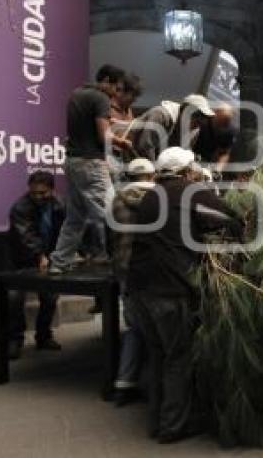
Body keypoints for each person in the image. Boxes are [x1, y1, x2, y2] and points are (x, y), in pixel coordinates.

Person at [129, 147, 244, 443]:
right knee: (178, 358)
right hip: (171, 289)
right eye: (193, 166)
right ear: (186, 170)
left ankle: (156, 422)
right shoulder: (190, 191)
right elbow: (231, 219)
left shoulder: (153, 195)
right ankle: (172, 427)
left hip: (140, 289)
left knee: (157, 356)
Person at [48, 71, 133, 273]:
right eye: (115, 88)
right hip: (91, 164)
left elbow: (86, 126)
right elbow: (104, 137)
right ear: (105, 81)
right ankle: (124, 265)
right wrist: (122, 142)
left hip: (72, 162)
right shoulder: (101, 97)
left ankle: (58, 263)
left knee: (75, 219)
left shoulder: (76, 94)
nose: (116, 94)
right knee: (114, 215)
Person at [110, 158, 156, 406]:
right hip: (149, 269)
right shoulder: (158, 198)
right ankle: (152, 387)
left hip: (125, 269)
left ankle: (124, 383)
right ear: (151, 175)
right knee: (155, 329)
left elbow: (113, 235)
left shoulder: (116, 199)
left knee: (133, 327)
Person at [6, 171, 66, 359]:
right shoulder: (20, 208)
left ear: (52, 190)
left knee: (49, 297)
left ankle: (44, 336)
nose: (38, 197)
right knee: (14, 299)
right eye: (34, 193)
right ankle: (15, 340)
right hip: (21, 258)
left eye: (43, 193)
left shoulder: (59, 204)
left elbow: (66, 230)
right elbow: (27, 237)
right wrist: (39, 255)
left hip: (49, 256)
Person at [130, 94, 216, 162]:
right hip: (129, 153)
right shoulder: (161, 115)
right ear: (183, 109)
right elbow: (145, 147)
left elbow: (182, 154)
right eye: (196, 115)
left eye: (203, 117)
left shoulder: (195, 130)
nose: (200, 121)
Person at [192, 102, 237, 174]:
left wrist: (218, 169)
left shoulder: (230, 131)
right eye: (221, 121)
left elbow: (224, 153)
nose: (222, 126)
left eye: (226, 122)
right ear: (215, 114)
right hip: (190, 154)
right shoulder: (202, 120)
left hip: (207, 161)